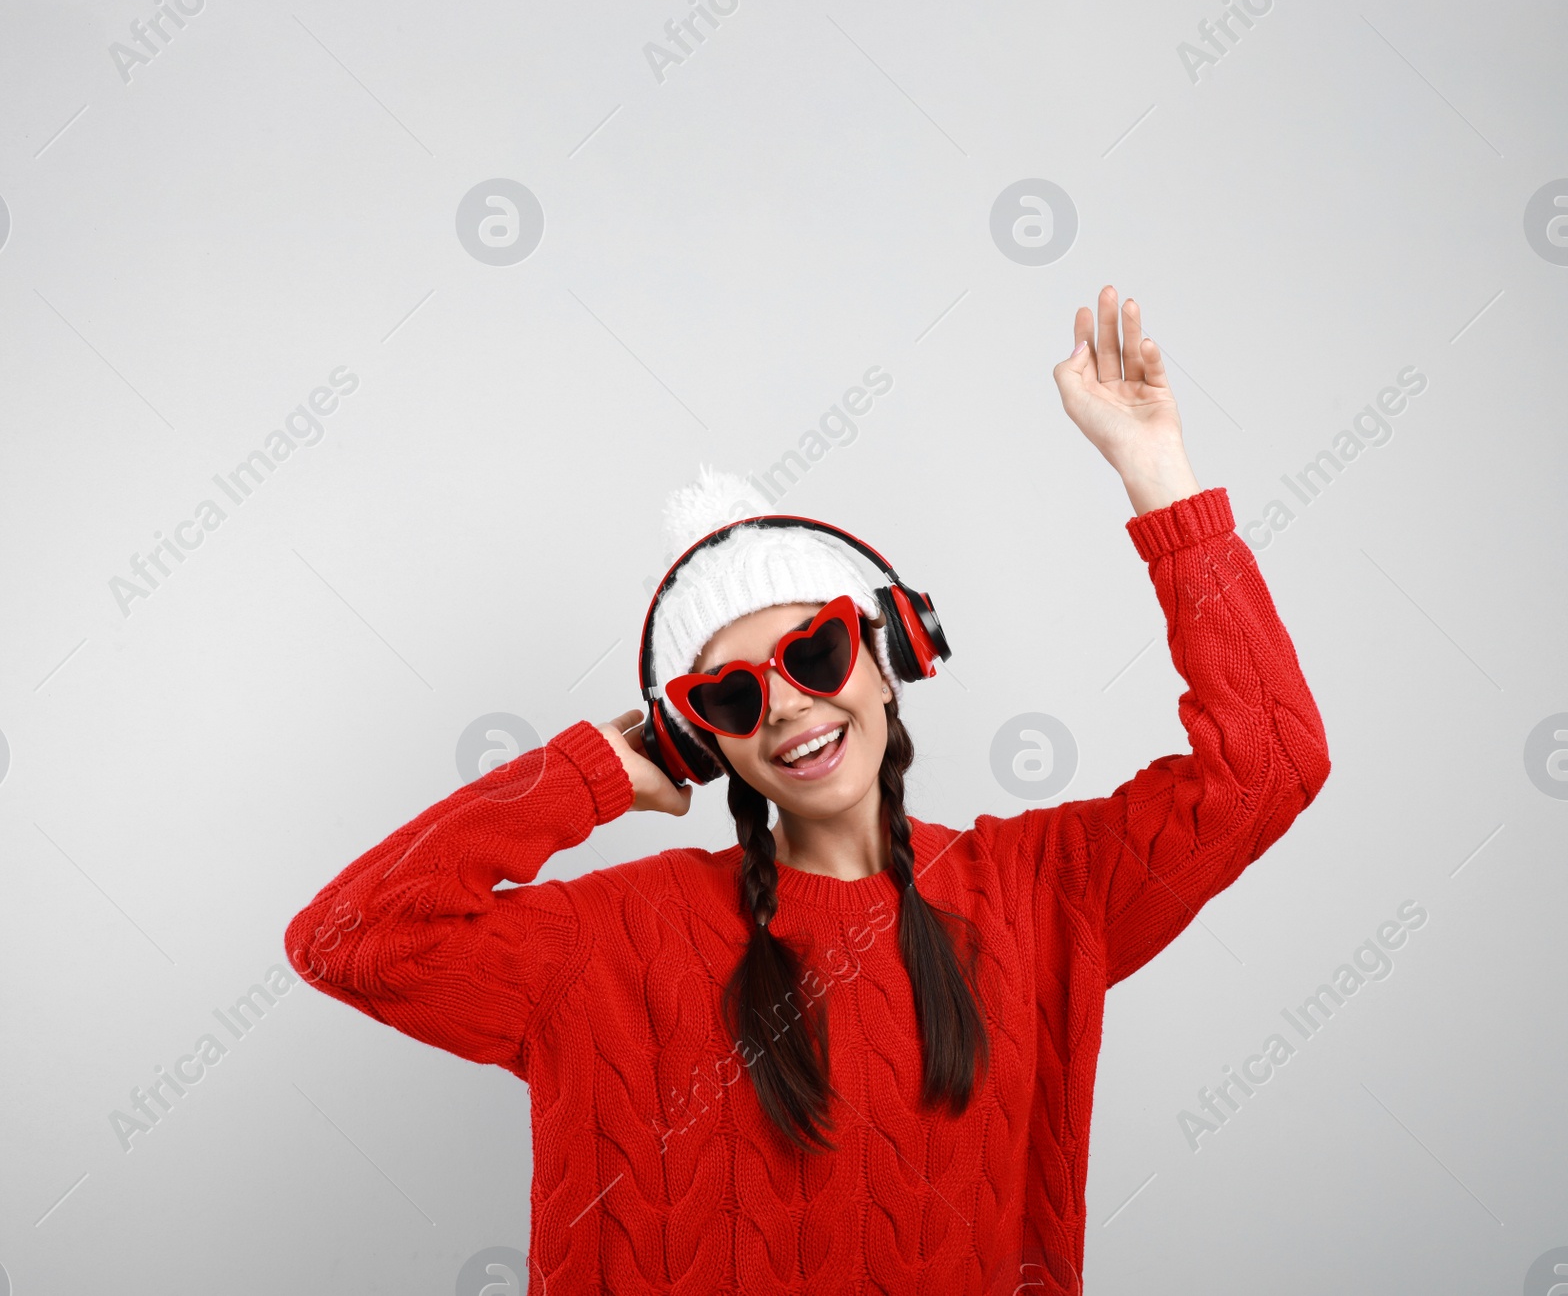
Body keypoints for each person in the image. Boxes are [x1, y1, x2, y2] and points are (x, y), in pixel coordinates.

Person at [286, 286, 1330, 1294]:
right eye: (733, 697)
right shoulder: (610, 943)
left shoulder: (1039, 895)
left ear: (891, 657)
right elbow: (345, 938)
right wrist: (586, 775)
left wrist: (1158, 475)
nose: (786, 706)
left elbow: (1271, 763)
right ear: (702, 744)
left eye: (817, 652)